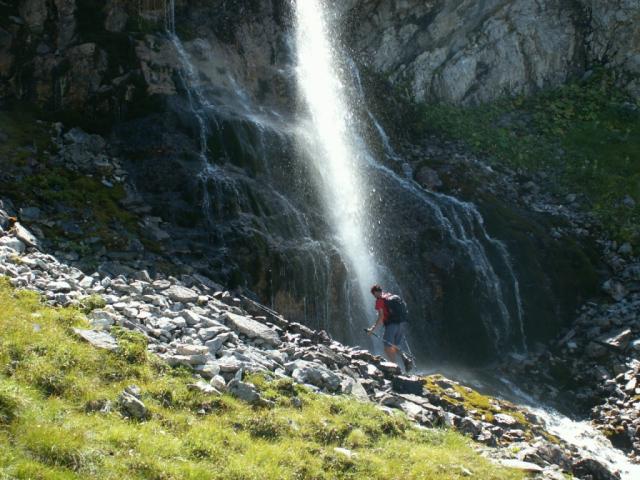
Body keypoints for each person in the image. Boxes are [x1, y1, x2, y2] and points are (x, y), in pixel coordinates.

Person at [366, 284, 411, 369]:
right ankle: (405, 358)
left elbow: (381, 317)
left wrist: (372, 330)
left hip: (391, 325)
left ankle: (394, 367)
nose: (374, 296)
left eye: (373, 294)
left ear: (375, 292)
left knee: (387, 346)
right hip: (401, 324)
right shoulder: (390, 296)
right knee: (394, 345)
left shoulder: (380, 301)